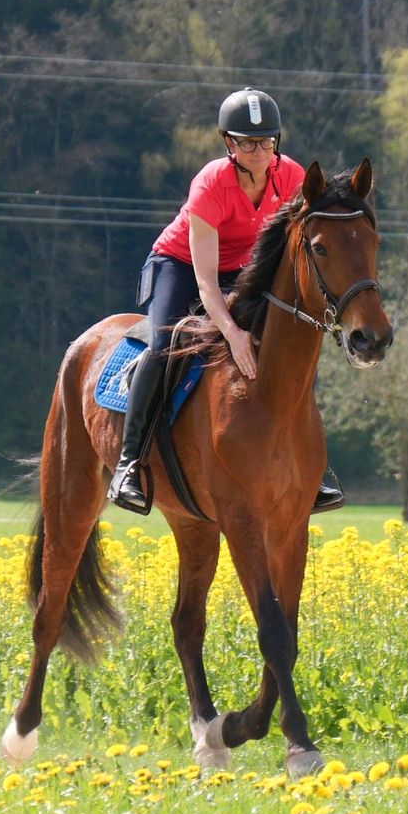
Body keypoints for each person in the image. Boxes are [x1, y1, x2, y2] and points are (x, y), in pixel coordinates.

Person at [107, 87, 343, 514]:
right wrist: (233, 334)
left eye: (267, 141)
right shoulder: (211, 183)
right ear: (229, 143)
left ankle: (313, 469)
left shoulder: (289, 176)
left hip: (244, 267)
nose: (259, 150)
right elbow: (205, 283)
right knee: (164, 346)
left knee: (290, 348)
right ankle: (129, 463)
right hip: (180, 266)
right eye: (248, 142)